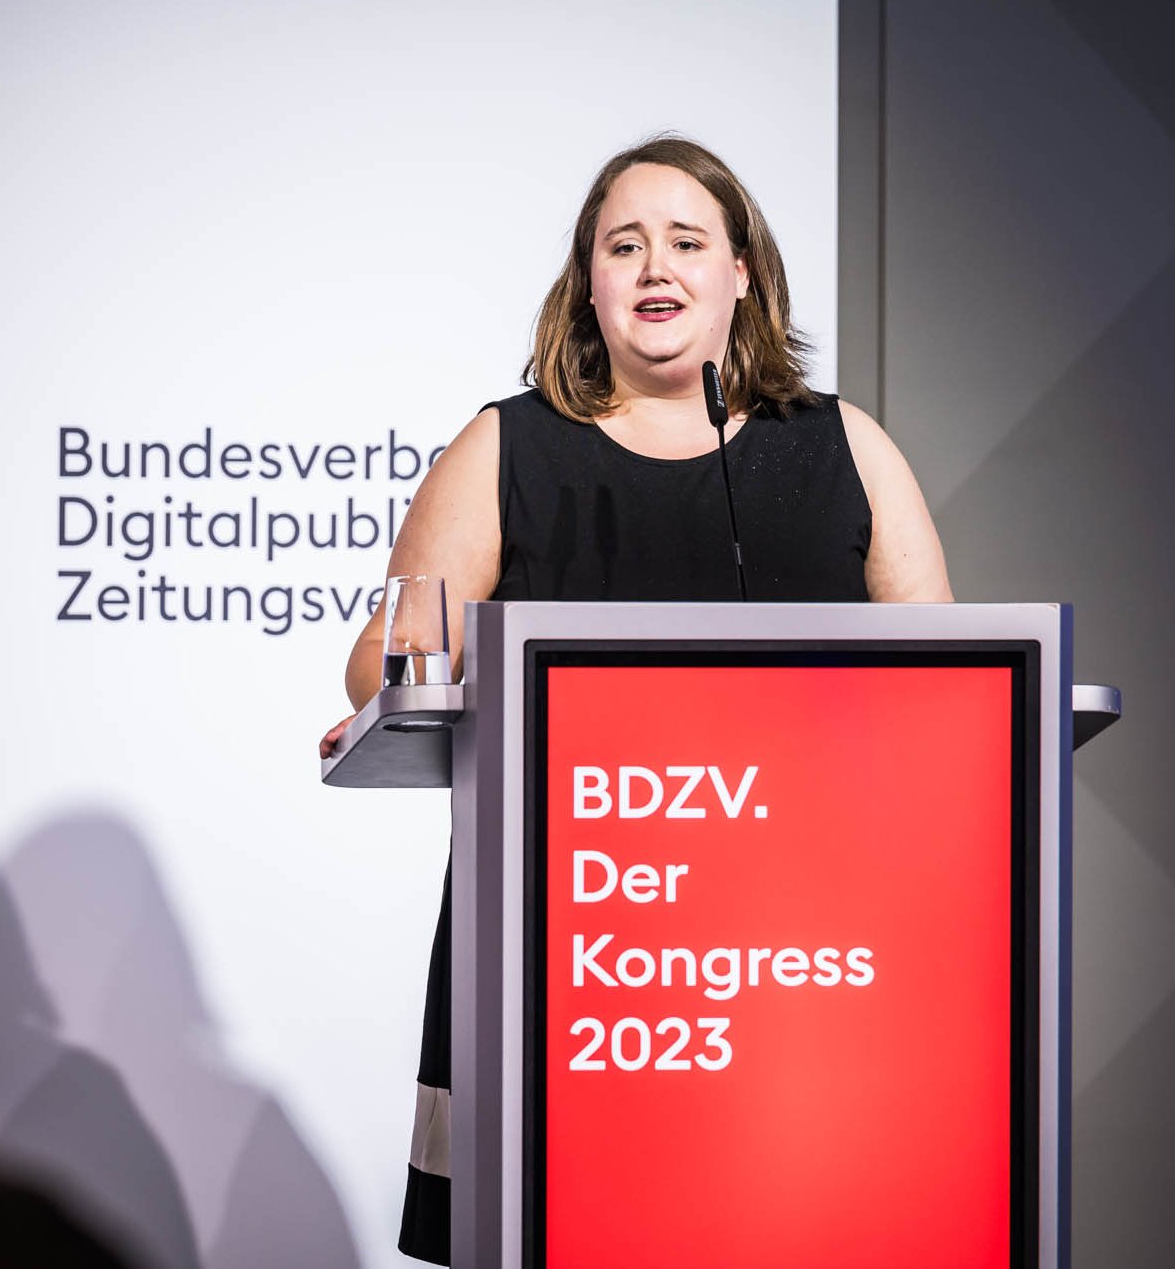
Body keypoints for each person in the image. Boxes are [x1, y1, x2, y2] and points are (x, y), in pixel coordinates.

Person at [319, 135, 952, 1264]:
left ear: (741, 273)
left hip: (794, 949)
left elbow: (950, 684)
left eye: (686, 241)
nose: (655, 266)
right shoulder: (509, 446)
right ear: (588, 282)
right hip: (568, 945)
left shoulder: (840, 448)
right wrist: (427, 673)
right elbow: (382, 661)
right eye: (623, 246)